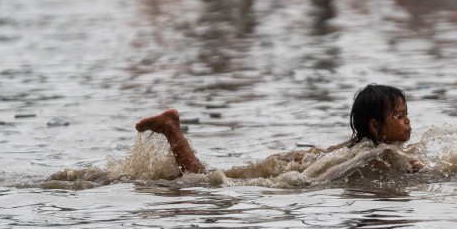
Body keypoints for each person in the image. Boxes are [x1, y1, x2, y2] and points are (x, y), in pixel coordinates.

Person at [134, 84, 424, 176]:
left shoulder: (360, 144)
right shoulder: (376, 153)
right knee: (205, 184)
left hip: (296, 159)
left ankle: (172, 131)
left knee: (211, 177)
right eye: (399, 115)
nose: (407, 121)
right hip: (295, 172)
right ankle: (172, 131)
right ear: (375, 126)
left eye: (406, 114)